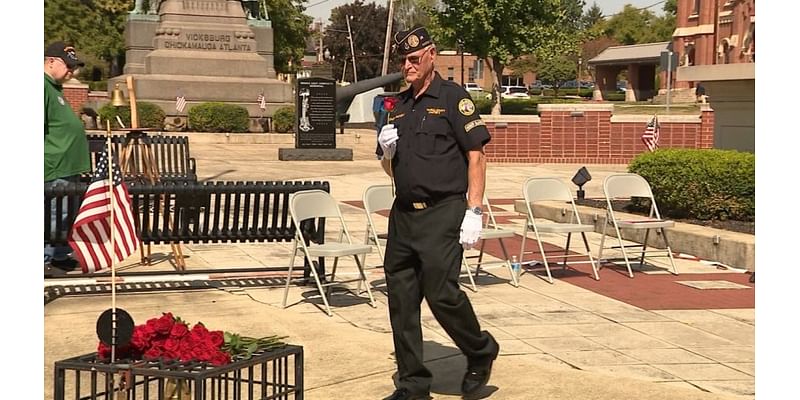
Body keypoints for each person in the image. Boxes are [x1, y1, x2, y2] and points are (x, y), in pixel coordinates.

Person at [376, 26, 499, 400]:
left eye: (414, 59)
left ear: (431, 56)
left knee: (441, 293)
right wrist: (387, 153)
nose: (408, 66)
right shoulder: (398, 106)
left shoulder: (452, 99)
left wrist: (474, 209)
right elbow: (391, 170)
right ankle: (413, 384)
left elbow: (476, 155)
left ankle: (479, 349)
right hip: (403, 215)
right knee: (401, 297)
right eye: (403, 60)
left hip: (443, 211)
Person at [45, 41, 90, 273]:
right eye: (68, 65)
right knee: (55, 215)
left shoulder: (55, 88)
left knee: (66, 215)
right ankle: (45, 260)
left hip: (68, 168)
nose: (71, 71)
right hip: (54, 167)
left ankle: (60, 256)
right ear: (51, 61)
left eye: (74, 67)